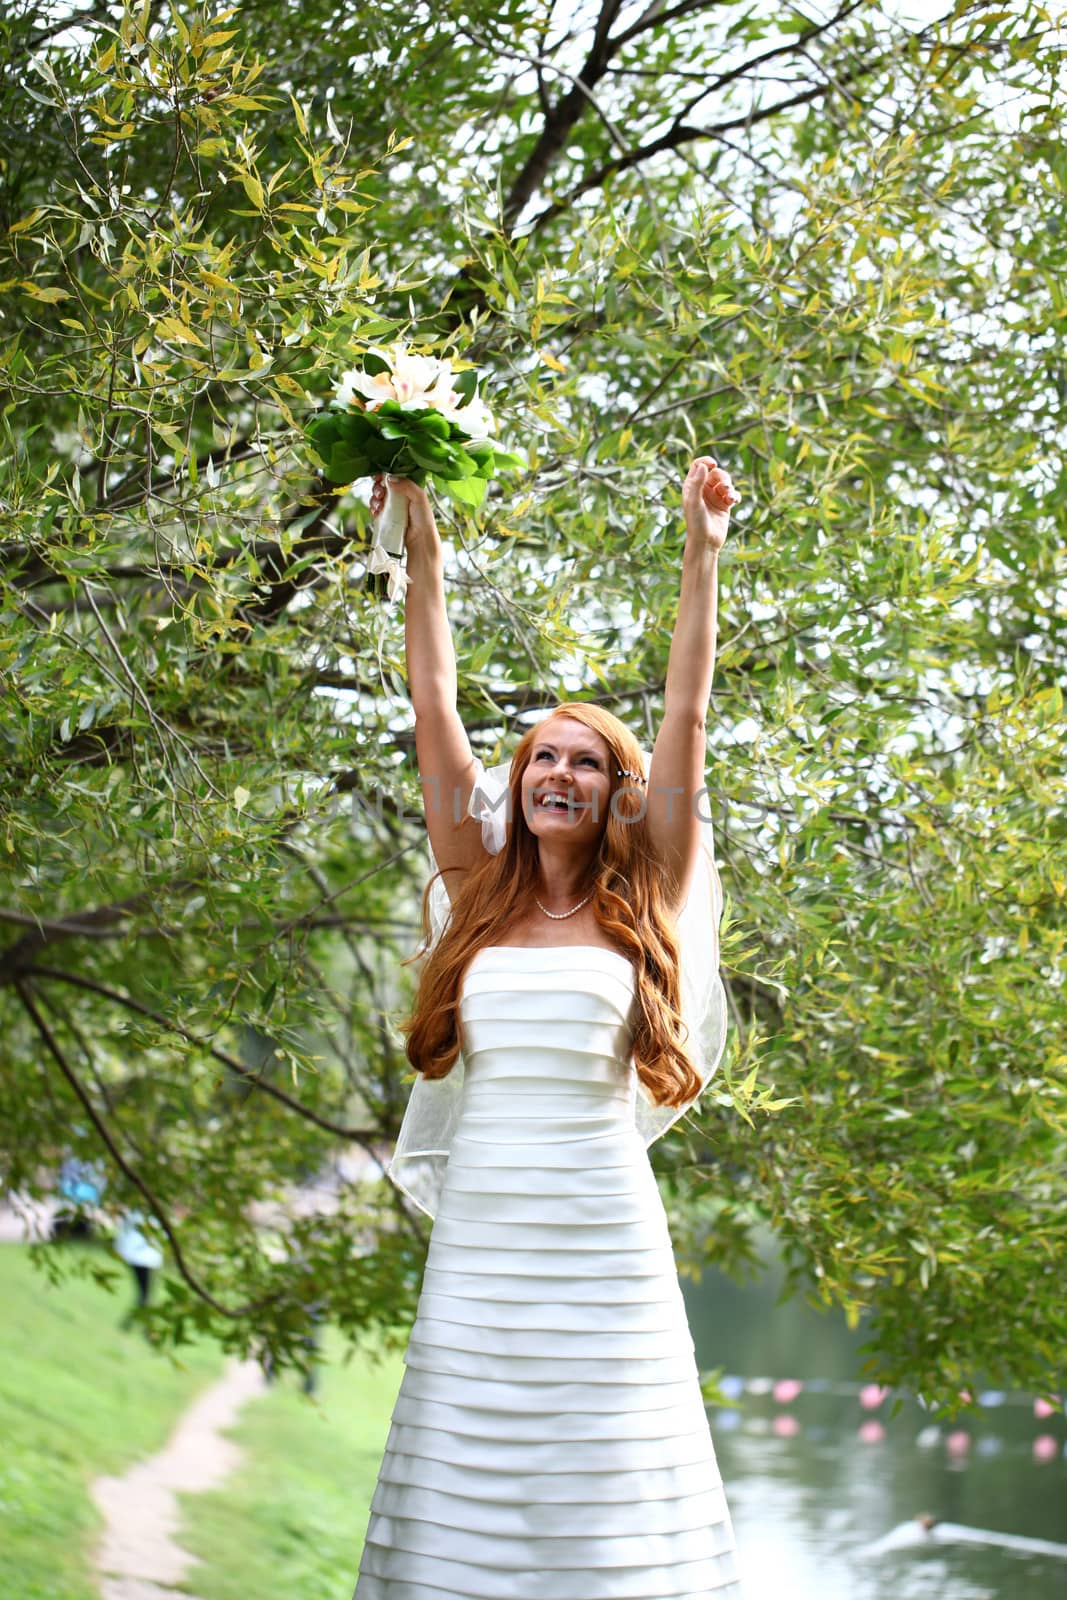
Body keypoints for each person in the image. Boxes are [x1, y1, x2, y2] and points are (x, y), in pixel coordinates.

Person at [351, 457, 744, 1598]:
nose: (558, 771)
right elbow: (432, 703)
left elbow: (686, 710)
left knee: (605, 1466)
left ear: (616, 791)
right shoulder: (473, 881)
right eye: (541, 757)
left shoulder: (648, 888)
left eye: (584, 759)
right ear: (515, 781)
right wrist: (421, 547)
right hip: (486, 1219)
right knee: (467, 1455)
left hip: (600, 1224)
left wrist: (700, 553)